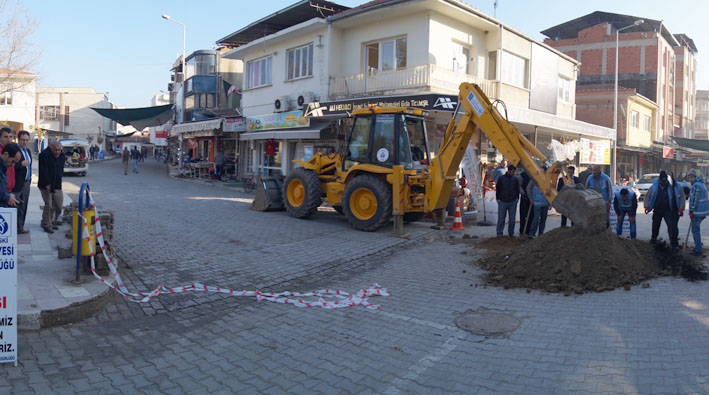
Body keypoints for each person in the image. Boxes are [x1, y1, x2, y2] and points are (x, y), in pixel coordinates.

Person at [644, 170, 684, 251]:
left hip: (668, 210)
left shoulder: (672, 187)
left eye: (665, 180)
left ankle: (674, 244)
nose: (663, 182)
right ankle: (653, 239)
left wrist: (681, 208)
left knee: (671, 227)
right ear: (659, 180)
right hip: (657, 209)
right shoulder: (654, 187)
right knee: (655, 225)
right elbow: (647, 197)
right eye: (662, 180)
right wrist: (646, 206)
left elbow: (682, 197)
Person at [38, 141, 63, 233]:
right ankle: (46, 224)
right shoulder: (44, 155)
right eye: (55, 150)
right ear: (51, 147)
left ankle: (50, 221)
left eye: (59, 150)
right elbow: (43, 171)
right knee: (48, 204)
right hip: (46, 184)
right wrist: (47, 183)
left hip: (57, 184)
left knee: (58, 205)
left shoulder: (61, 155)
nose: (57, 152)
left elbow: (60, 168)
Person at [687, 169, 708, 256]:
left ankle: (698, 250)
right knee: (695, 230)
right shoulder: (701, 184)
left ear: (695, 177)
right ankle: (697, 246)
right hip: (702, 211)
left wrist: (692, 211)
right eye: (689, 177)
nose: (690, 179)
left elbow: (695, 200)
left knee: (695, 230)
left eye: (691, 177)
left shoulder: (696, 186)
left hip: (698, 212)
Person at [14, 131, 32, 233]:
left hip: (26, 183)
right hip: (17, 184)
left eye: (27, 140)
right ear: (18, 140)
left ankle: (20, 227)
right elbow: (10, 166)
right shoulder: (15, 151)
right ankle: (13, 228)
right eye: (23, 140)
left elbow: (29, 167)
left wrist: (30, 180)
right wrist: (21, 164)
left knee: (23, 207)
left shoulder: (28, 151)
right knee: (15, 206)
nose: (25, 142)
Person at [495, 164, 520, 237]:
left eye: (514, 172)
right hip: (503, 201)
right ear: (508, 171)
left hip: (512, 201)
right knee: (501, 218)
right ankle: (499, 233)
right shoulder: (501, 178)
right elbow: (498, 189)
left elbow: (517, 189)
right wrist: (498, 199)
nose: (513, 173)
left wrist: (516, 198)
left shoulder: (515, 179)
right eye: (512, 171)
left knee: (512, 220)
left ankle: (511, 234)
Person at [0, 143, 21, 208]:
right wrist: (8, 197)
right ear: (6, 154)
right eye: (12, 161)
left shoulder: (3, 168)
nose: (13, 165)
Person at [518, 168, 532, 236]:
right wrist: (522, 192)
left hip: (532, 198)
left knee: (531, 215)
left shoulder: (534, 175)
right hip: (524, 198)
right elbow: (518, 185)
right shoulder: (522, 175)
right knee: (523, 215)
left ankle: (529, 231)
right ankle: (522, 230)